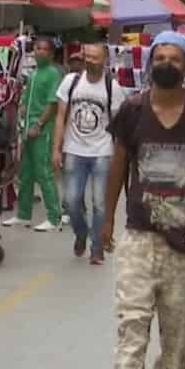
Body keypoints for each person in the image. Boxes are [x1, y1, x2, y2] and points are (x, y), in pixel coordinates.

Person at [102, 31, 185, 369]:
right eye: (159, 58)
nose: (166, 64)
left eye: (174, 59)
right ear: (149, 63)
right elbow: (119, 165)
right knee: (131, 330)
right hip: (138, 239)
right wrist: (108, 218)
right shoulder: (132, 110)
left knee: (177, 342)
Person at [51, 43, 126, 264]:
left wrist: (120, 159)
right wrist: (56, 148)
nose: (90, 60)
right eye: (88, 56)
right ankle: (81, 233)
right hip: (73, 150)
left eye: (95, 57)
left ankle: (96, 247)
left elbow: (118, 126)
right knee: (71, 201)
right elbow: (60, 117)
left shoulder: (113, 88)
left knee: (100, 203)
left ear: (105, 60)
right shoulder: (71, 82)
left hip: (103, 151)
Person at [4, 37, 63, 232]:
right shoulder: (34, 73)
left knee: (43, 173)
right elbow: (26, 99)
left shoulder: (53, 73)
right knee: (25, 172)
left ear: (51, 53)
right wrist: (21, 113)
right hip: (27, 128)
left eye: (43, 49)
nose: (38, 52)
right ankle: (23, 214)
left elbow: (52, 103)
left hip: (42, 130)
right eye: (36, 48)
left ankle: (54, 217)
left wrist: (38, 123)